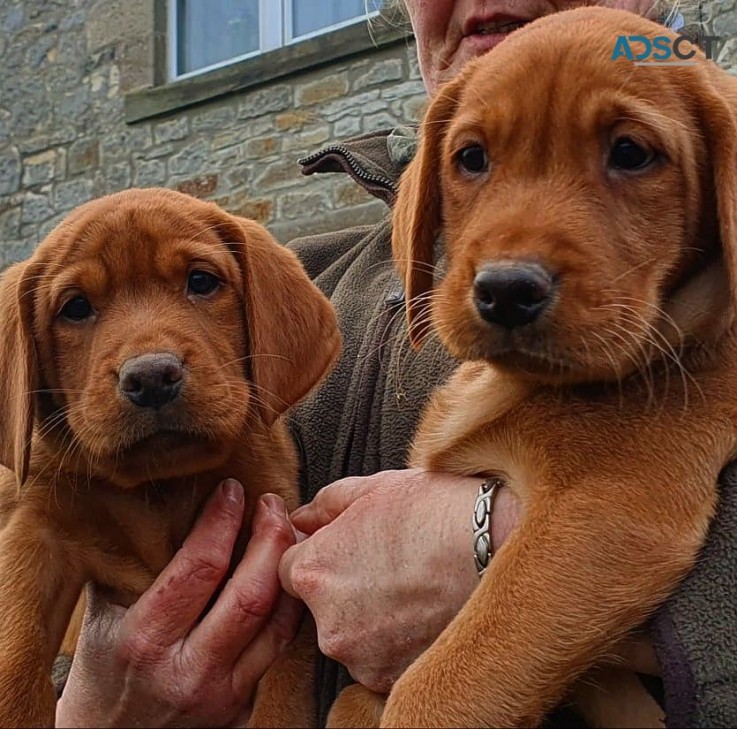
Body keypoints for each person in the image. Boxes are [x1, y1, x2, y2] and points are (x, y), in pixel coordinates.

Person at [56, 1, 737, 727]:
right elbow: (67, 540)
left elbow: (632, 517)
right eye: (472, 159)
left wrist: (487, 544)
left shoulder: (697, 142)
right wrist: (88, 698)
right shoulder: (281, 301)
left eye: (630, 153)